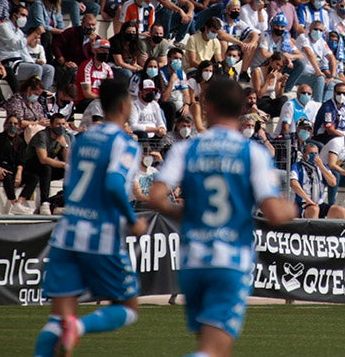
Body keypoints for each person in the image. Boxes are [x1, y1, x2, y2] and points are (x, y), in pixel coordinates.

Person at [148, 79, 295, 357]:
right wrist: (292, 208)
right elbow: (275, 213)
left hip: (192, 261)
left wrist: (187, 215)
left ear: (208, 107)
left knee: (215, 348)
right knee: (214, 351)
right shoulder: (251, 152)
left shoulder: (186, 148)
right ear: (241, 110)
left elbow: (155, 197)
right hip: (230, 260)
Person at [33, 79, 147, 357]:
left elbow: (69, 188)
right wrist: (132, 220)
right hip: (101, 237)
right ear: (124, 105)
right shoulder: (125, 144)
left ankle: (67, 328)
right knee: (128, 308)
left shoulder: (80, 140)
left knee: (56, 321)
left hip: (67, 233)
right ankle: (80, 327)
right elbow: (113, 183)